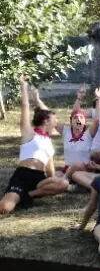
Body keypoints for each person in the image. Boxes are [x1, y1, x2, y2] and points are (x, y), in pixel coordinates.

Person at [1, 76, 68, 213]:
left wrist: (54, 181)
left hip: (39, 179)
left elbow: (50, 172)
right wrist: (23, 86)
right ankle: (19, 196)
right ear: (46, 121)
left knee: (63, 183)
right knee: (5, 208)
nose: (56, 122)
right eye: (54, 120)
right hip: (23, 175)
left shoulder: (49, 143)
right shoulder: (29, 133)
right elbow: (25, 107)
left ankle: (28, 195)